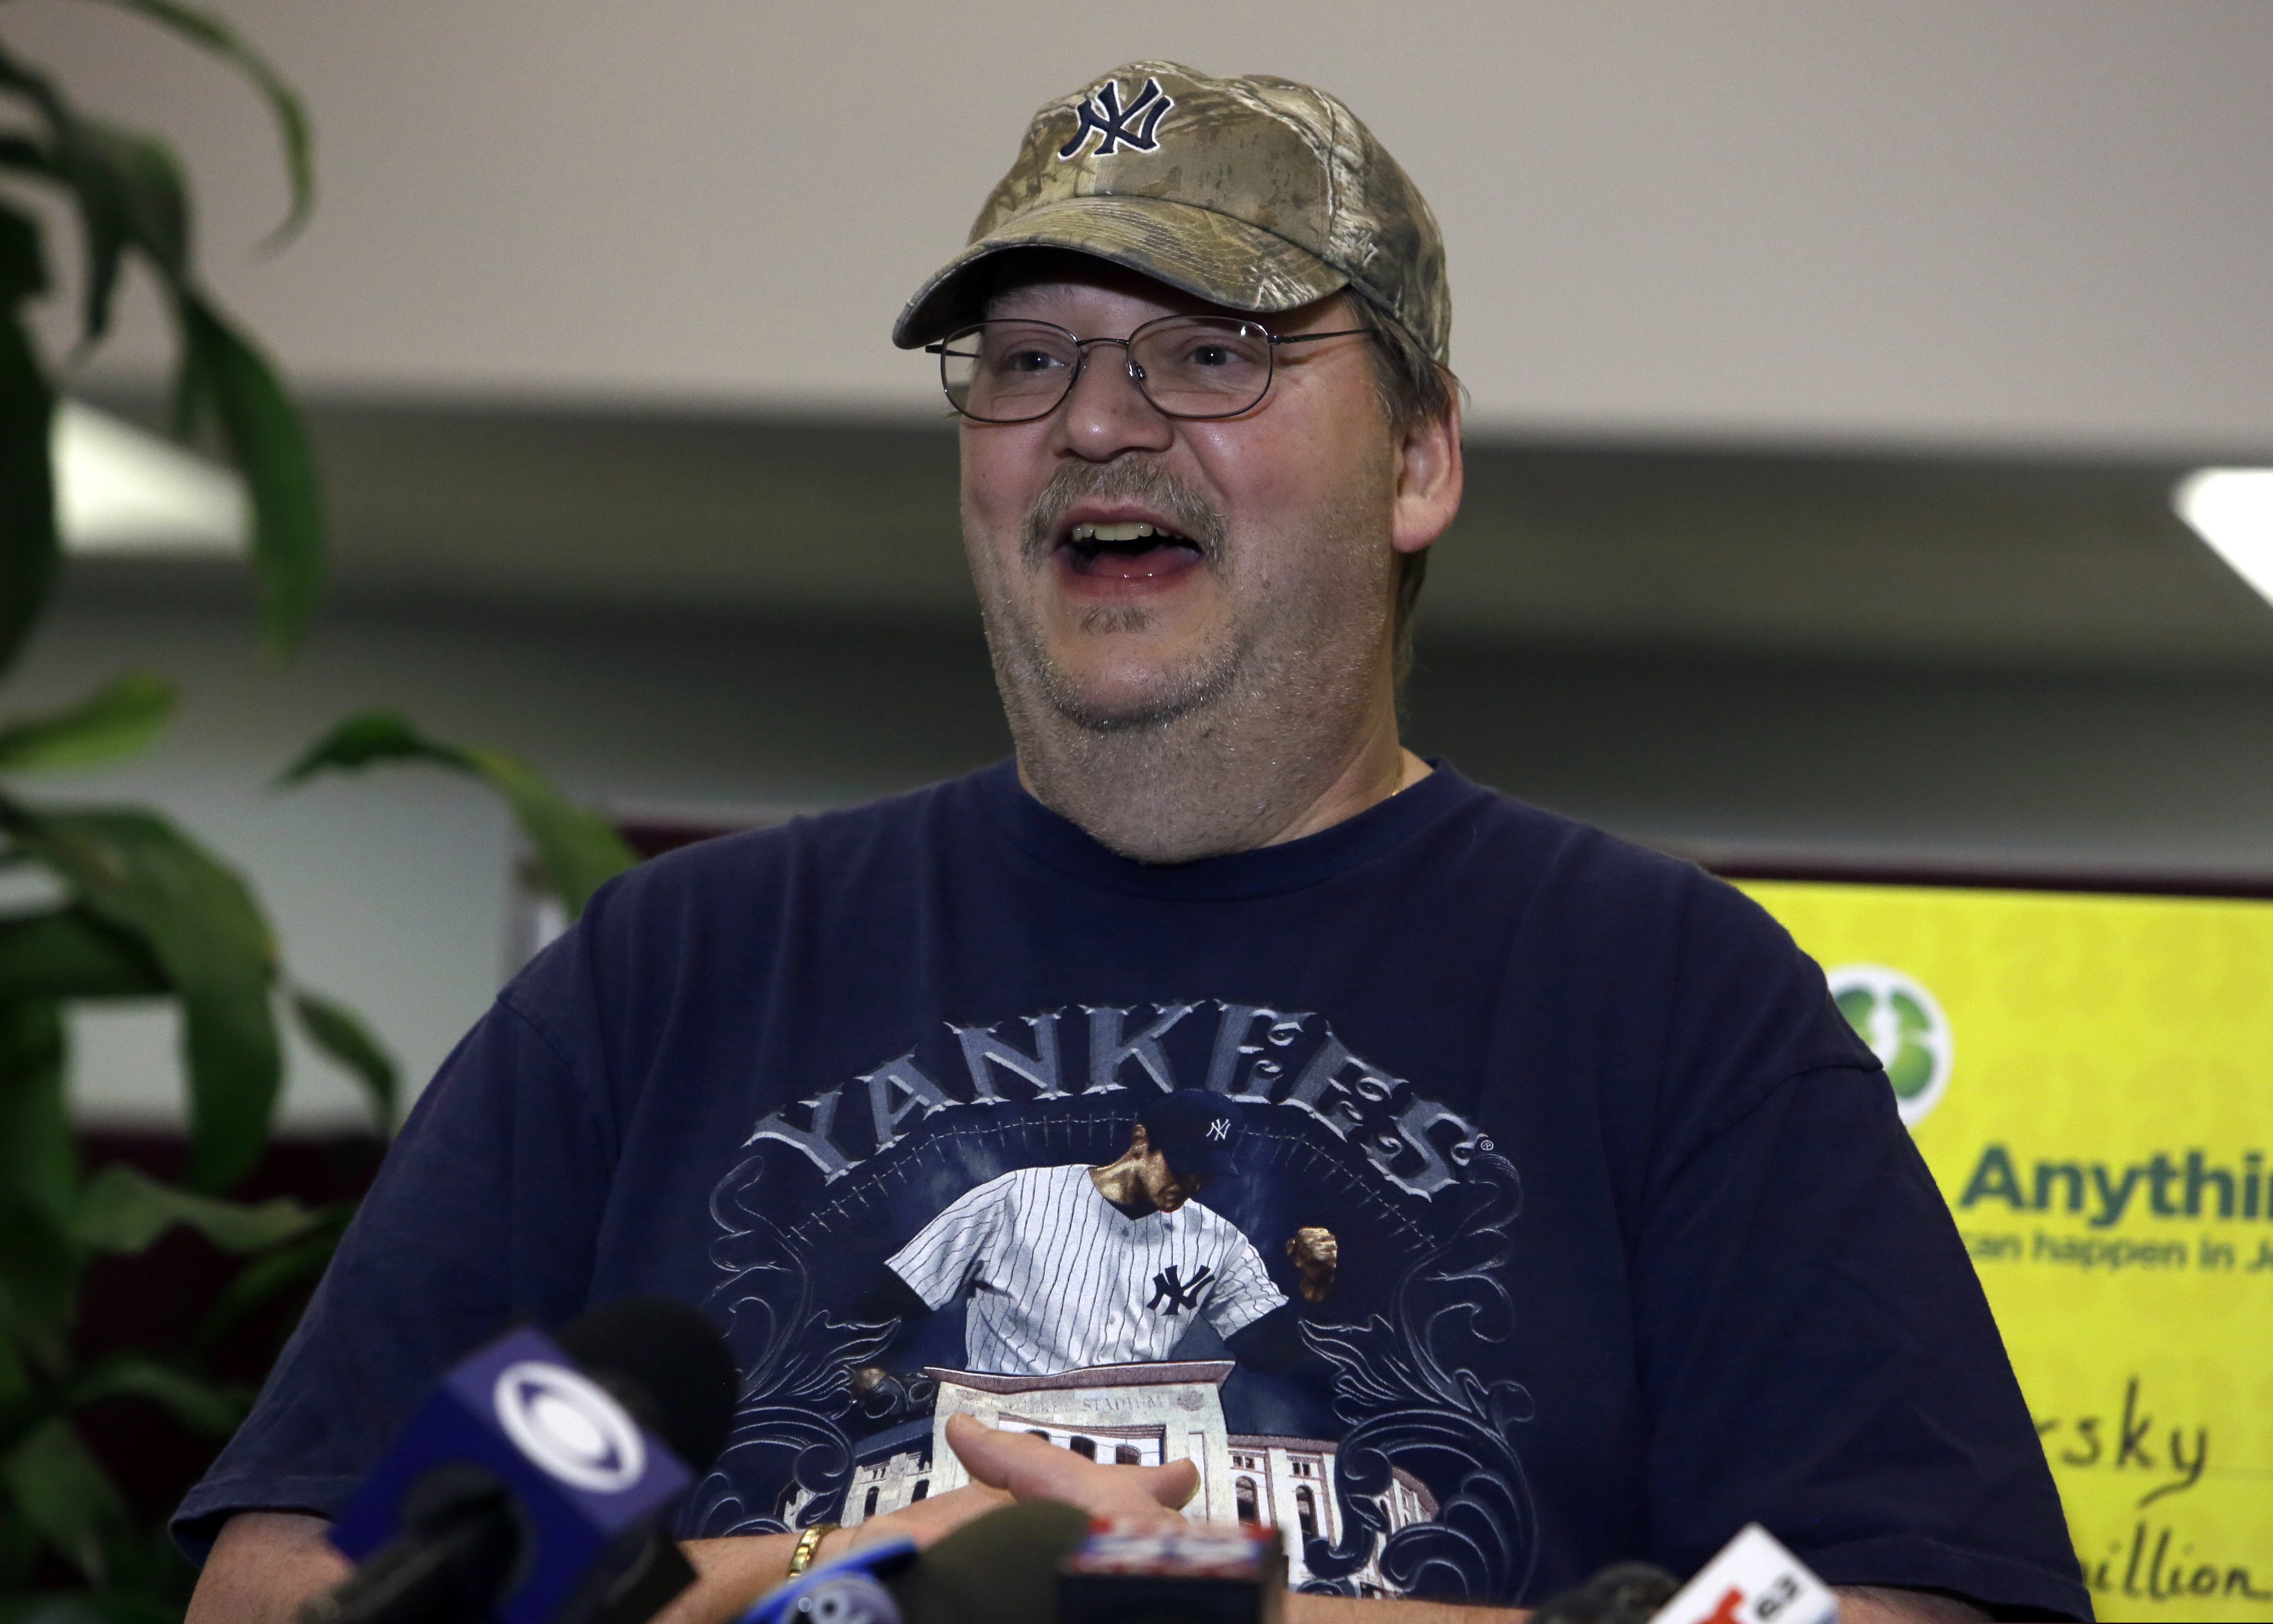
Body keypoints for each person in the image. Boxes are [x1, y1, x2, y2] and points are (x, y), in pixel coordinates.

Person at [180, 60, 2090, 1624]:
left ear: (1418, 456)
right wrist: (835, 1583)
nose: (1095, 417)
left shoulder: (1665, 996)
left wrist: (1207, 1612)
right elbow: (297, 1579)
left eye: (1210, 351)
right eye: (1023, 360)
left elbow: (1904, 1602)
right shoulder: (663, 972)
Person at [866, 1092, 1335, 1376]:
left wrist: (1312, 1287)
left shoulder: (1218, 1240)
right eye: (1182, 1164)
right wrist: (868, 1370)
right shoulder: (1019, 1196)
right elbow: (895, 1295)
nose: (1190, 1183)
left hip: (1125, 1440)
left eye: (1204, 1173)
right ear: (1139, 1140)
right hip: (1003, 1422)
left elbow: (1266, 1353)